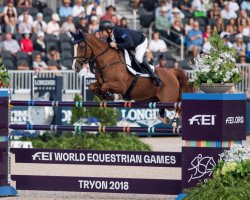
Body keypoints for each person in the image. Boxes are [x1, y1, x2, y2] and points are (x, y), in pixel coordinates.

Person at [98, 20, 163, 86]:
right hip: (130, 45)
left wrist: (116, 45)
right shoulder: (109, 38)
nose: (100, 33)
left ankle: (154, 76)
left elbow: (130, 44)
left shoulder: (120, 32)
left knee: (138, 58)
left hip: (140, 42)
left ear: (109, 30)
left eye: (102, 31)